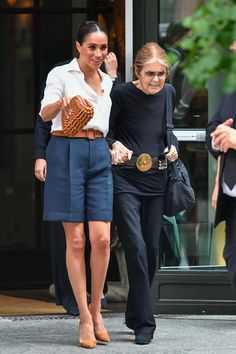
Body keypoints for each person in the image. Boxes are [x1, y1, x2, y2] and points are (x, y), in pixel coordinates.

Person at [39, 20, 113, 349]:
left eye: (103, 47)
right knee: (78, 240)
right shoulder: (61, 76)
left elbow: (111, 123)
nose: (98, 53)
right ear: (79, 47)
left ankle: (97, 310)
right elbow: (44, 114)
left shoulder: (109, 83)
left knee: (102, 238)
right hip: (66, 148)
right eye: (92, 47)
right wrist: (62, 104)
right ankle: (83, 316)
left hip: (98, 152)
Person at [107, 42, 179, 345]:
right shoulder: (121, 93)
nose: (156, 80)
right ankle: (145, 323)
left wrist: (173, 144)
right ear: (138, 71)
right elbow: (105, 132)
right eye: (150, 73)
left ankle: (134, 313)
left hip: (157, 179)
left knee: (150, 250)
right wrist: (114, 145)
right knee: (134, 246)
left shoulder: (168, 94)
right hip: (125, 179)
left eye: (161, 74)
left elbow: (166, 129)